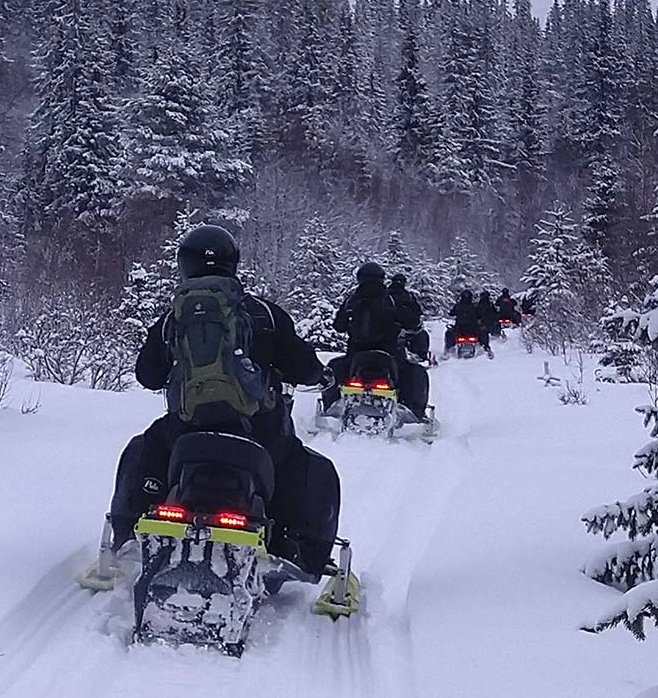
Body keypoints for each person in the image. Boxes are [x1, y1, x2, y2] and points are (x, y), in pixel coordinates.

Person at [107, 224, 340, 577]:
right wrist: (320, 376)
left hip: (184, 432)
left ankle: (126, 534)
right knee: (304, 466)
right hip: (258, 433)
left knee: (145, 448)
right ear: (234, 263)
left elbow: (147, 375)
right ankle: (296, 549)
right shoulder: (265, 314)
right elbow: (304, 368)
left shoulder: (174, 317)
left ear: (184, 263)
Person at [325, 263, 431, 421]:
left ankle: (330, 406)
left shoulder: (351, 300)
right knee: (415, 373)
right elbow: (412, 322)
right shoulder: (391, 300)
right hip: (389, 352)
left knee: (334, 367)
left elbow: (338, 326)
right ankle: (415, 411)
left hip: (356, 353)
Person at [444, 289, 492, 356]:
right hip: (473, 329)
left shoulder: (458, 306)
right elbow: (479, 315)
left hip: (460, 330)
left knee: (449, 333)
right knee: (484, 332)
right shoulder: (474, 306)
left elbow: (451, 313)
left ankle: (448, 350)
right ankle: (486, 348)